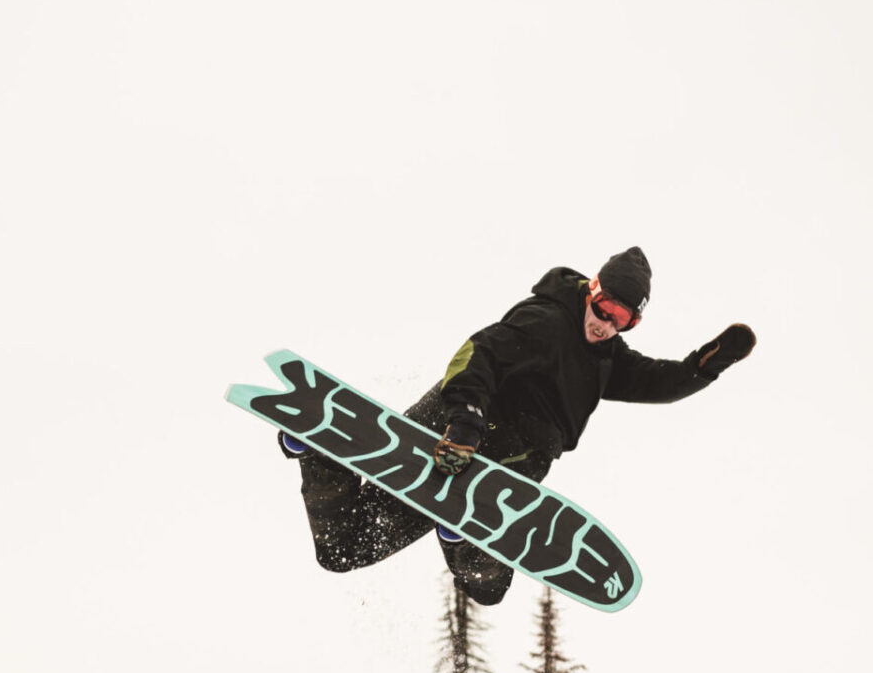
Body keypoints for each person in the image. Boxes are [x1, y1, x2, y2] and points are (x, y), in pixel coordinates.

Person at [279, 249, 755, 605]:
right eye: (606, 306)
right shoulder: (547, 320)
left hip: (472, 443)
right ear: (593, 289)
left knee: (343, 550)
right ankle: (464, 532)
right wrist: (466, 419)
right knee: (488, 585)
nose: (607, 324)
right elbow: (478, 352)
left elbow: (659, 383)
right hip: (478, 438)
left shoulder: (607, 358)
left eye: (624, 319)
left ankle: (320, 453)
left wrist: (704, 367)